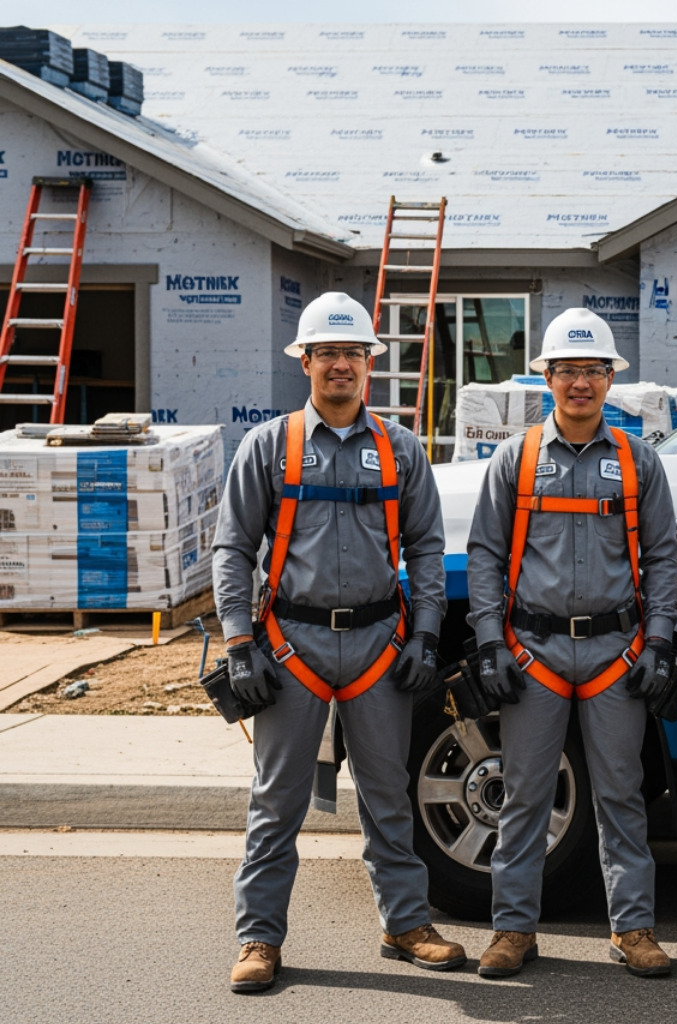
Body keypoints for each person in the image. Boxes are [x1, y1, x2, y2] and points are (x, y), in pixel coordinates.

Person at [213, 292, 462, 994]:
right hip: (291, 644)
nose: (341, 365)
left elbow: (428, 547)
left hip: (381, 642)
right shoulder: (271, 445)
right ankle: (259, 937)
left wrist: (427, 635)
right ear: (306, 362)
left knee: (387, 794)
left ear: (370, 364)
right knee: (278, 800)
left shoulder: (400, 448)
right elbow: (232, 548)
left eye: (353, 353)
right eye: (327, 353)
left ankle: (405, 922)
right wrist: (239, 643)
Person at [466, 309, 677, 980]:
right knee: (526, 794)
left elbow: (665, 561)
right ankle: (512, 931)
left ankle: (633, 928)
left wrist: (662, 643)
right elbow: (485, 556)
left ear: (610, 377)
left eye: (593, 370)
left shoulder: (638, 461)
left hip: (616, 651)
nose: (580, 383)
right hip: (535, 652)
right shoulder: (516, 459)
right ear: (546, 378)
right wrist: (488, 643)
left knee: (621, 792)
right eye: (567, 370)